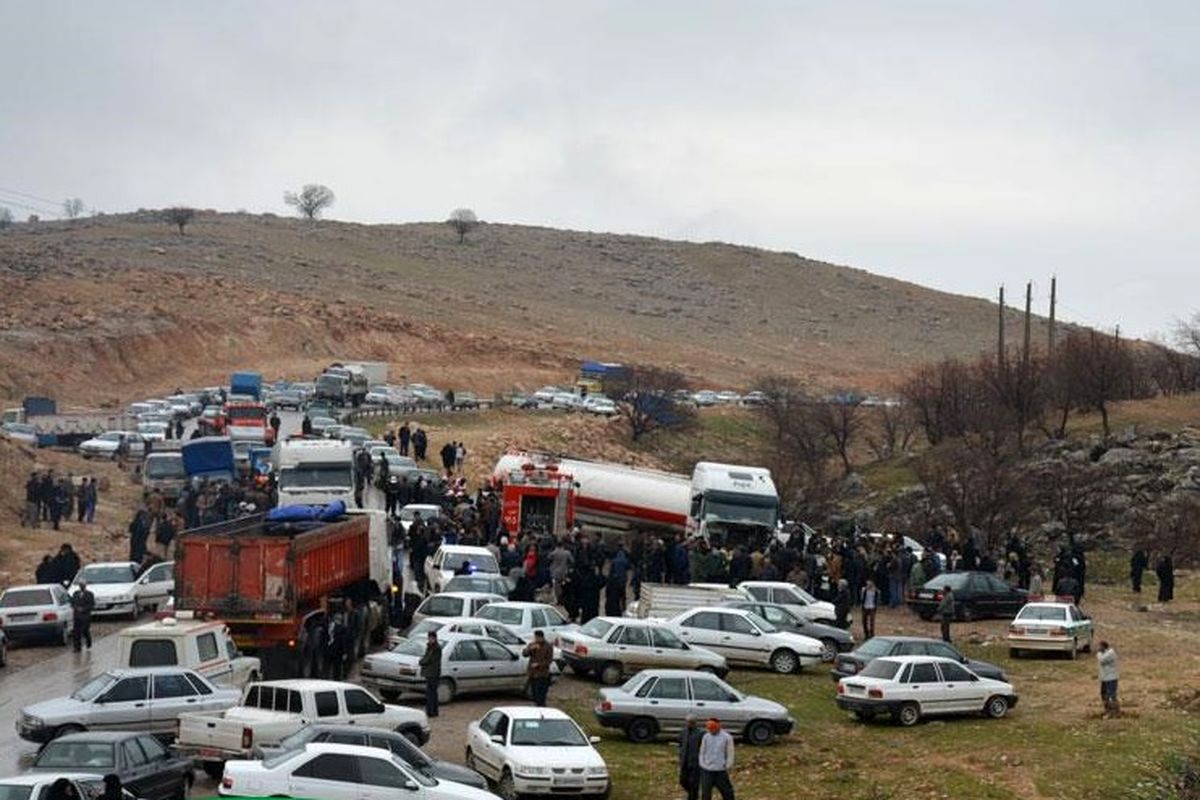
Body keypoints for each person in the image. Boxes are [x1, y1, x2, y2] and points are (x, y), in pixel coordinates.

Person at [698, 718, 735, 800]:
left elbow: (730, 753)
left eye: (713, 729)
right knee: (705, 793)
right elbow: (702, 752)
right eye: (709, 729)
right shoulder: (706, 737)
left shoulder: (727, 737)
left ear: (718, 727)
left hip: (720, 770)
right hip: (707, 770)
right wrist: (702, 763)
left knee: (727, 792)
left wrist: (727, 765)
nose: (711, 731)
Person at [523, 629, 554, 707]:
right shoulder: (532, 644)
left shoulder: (548, 646)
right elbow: (524, 654)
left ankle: (542, 708)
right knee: (534, 694)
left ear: (541, 637)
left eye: (537, 637)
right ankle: (537, 707)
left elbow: (549, 661)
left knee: (540, 695)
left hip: (542, 675)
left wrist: (539, 664)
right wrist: (530, 649)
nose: (536, 639)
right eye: (535, 637)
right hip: (532, 674)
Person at [678, 715, 704, 800]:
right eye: (688, 722)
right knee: (683, 781)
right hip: (685, 761)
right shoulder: (683, 732)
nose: (689, 724)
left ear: (695, 723)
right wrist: (681, 755)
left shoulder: (701, 733)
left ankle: (693, 797)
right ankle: (692, 795)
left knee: (694, 784)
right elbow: (681, 744)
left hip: (695, 763)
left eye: (691, 723)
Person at [419, 631, 442, 718]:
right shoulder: (430, 647)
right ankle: (432, 711)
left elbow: (428, 659)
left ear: (435, 638)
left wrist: (421, 661)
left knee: (431, 693)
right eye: (429, 638)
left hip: (433, 673)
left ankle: (432, 712)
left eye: (431, 638)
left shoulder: (435, 648)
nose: (430, 639)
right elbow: (426, 656)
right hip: (430, 673)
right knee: (431, 693)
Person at [71, 580, 95, 651]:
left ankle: (88, 641)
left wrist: (84, 609)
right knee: (76, 632)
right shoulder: (75, 593)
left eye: (83, 585)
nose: (81, 586)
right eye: (80, 585)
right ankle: (77, 647)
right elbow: (73, 603)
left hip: (86, 616)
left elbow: (91, 604)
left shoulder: (90, 594)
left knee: (85, 630)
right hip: (77, 615)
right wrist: (76, 608)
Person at [1097, 640, 1119, 717]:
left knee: (1111, 695)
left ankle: (1113, 712)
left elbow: (1101, 660)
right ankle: (1107, 710)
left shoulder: (1110, 653)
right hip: (1105, 678)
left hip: (1111, 678)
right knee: (1104, 694)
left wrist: (1099, 653)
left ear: (1104, 646)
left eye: (1099, 646)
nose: (1098, 648)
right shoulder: (1104, 653)